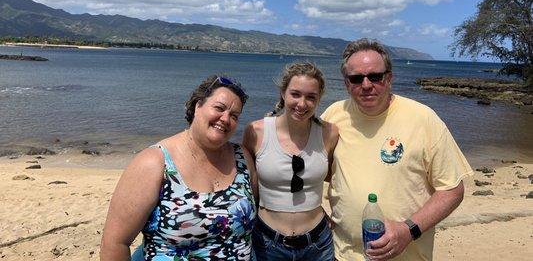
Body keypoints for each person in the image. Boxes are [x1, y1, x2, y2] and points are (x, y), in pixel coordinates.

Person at [321, 39, 473, 261]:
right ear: (346, 83)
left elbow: (451, 190)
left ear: (389, 78)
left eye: (375, 76)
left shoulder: (423, 119)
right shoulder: (334, 115)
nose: (366, 85)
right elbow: (311, 169)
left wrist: (407, 230)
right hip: (342, 255)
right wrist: (315, 215)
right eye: (356, 78)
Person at [100, 75, 257, 261]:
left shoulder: (242, 158)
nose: (225, 119)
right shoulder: (155, 163)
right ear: (198, 106)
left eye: (234, 116)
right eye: (219, 108)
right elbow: (115, 243)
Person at [243, 62, 338, 261]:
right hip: (267, 243)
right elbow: (248, 185)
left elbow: (334, 177)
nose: (302, 104)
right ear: (283, 93)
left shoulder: (329, 133)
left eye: (311, 97)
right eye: (295, 94)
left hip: (318, 244)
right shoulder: (256, 132)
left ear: (319, 99)